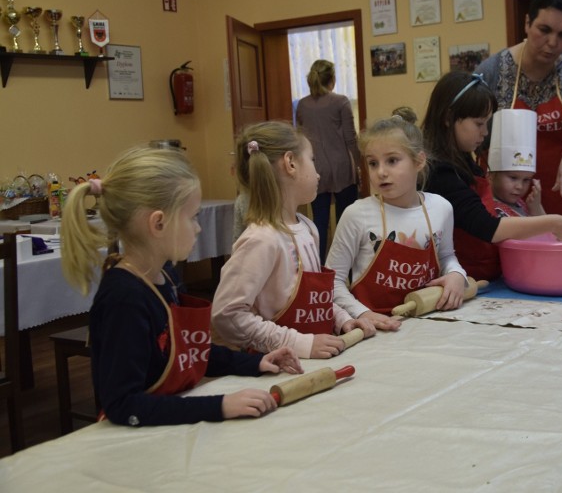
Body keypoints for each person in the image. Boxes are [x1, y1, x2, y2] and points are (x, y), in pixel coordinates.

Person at [60, 147, 303, 427]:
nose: (198, 228)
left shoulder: (165, 276)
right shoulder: (124, 298)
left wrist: (256, 363)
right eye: (192, 217)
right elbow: (123, 404)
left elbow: (188, 350)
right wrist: (219, 405)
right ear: (159, 223)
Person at [212, 121, 374, 360]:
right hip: (278, 366)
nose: (318, 173)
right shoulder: (261, 239)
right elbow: (227, 315)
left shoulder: (308, 228)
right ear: (290, 163)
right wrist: (297, 343)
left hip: (314, 358)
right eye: (313, 160)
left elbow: (314, 300)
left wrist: (343, 319)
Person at [422, 71, 562, 281]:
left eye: (487, 123)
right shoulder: (440, 173)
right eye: (479, 123)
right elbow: (488, 228)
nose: (485, 132)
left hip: (483, 274)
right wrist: (552, 222)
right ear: (449, 118)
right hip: (458, 275)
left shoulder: (465, 161)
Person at [475, 0, 562, 222]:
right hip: (501, 204)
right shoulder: (490, 73)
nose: (553, 43)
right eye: (544, 30)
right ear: (527, 23)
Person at [326, 116, 467, 325]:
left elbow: (446, 256)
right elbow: (332, 282)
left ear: (419, 161)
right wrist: (362, 314)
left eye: (392, 160)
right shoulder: (356, 215)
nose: (381, 172)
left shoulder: (441, 208)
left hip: (428, 320)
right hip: (374, 327)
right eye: (373, 163)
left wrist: (457, 274)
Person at [296, 59, 360, 261]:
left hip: (315, 168)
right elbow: (351, 138)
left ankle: (319, 269)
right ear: (332, 79)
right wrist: (360, 166)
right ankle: (346, 269)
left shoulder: (302, 105)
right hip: (342, 167)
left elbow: (301, 137)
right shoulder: (341, 101)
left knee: (319, 223)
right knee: (346, 223)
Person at [487, 107, 545, 217]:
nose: (519, 186)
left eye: (526, 180)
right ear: (491, 175)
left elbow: (549, 233)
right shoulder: (492, 210)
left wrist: (536, 207)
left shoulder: (519, 203)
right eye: (513, 178)